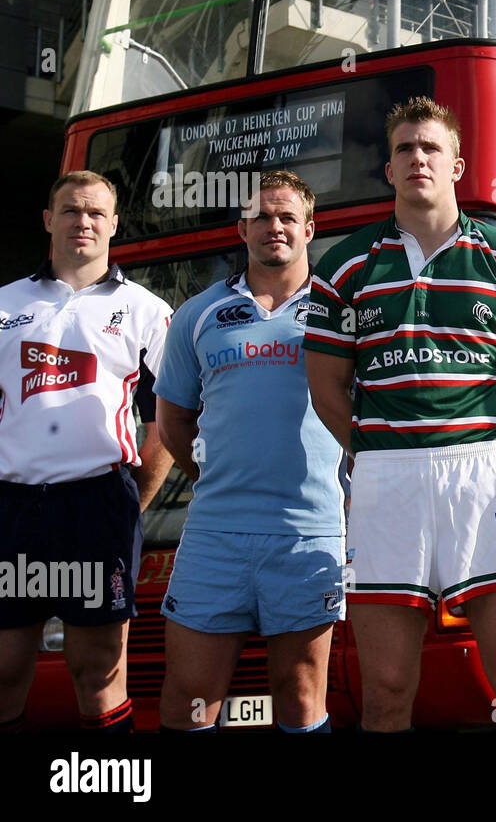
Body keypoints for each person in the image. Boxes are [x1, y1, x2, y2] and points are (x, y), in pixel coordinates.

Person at [304, 97, 496, 733]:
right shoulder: (345, 263)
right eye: (405, 149)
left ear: (457, 166)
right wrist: (372, 452)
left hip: (485, 471)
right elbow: (327, 386)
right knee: (386, 687)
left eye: (431, 148)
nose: (418, 158)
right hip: (388, 480)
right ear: (388, 169)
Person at [153, 171, 344, 732]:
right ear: (242, 228)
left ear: (310, 228)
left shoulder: (343, 309)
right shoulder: (197, 313)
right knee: (189, 698)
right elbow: (173, 420)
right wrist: (216, 473)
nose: (274, 226)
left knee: (301, 696)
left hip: (309, 529)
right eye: (261, 216)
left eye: (287, 217)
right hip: (215, 532)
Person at [0, 171, 174, 733]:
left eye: (97, 213)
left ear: (114, 224)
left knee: (96, 668)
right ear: (49, 220)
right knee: (3, 667)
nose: (84, 222)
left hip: (98, 504)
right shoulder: (5, 304)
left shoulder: (146, 310)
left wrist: (134, 500)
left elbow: (170, 419)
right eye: (72, 211)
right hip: (13, 507)